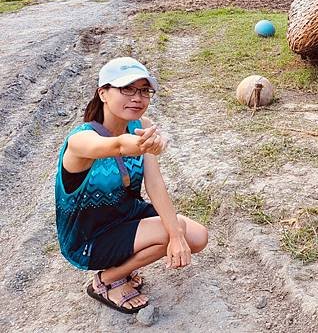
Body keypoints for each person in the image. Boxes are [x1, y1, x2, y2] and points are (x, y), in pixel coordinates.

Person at [55, 57, 208, 314]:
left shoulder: (142, 127)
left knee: (196, 237)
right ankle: (106, 281)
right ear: (103, 93)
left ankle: (127, 257)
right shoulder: (81, 140)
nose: (137, 97)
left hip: (125, 215)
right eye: (127, 88)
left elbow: (155, 184)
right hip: (89, 238)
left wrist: (178, 237)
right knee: (169, 231)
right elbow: (114, 146)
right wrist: (146, 144)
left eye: (144, 90)